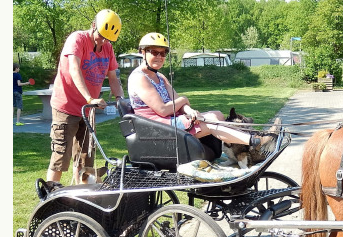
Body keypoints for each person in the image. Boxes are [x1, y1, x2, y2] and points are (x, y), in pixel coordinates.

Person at [128, 32, 269, 149]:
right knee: (211, 122)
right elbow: (163, 110)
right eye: (154, 52)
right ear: (143, 52)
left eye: (163, 53)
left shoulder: (160, 77)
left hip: (171, 121)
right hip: (158, 129)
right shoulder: (139, 78)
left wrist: (189, 111)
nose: (159, 57)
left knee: (218, 114)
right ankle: (255, 141)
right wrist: (184, 99)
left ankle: (239, 149)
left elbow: (177, 101)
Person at [46, 9, 125, 184]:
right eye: (101, 36)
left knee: (85, 159)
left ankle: (82, 199)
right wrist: (90, 98)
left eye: (107, 39)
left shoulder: (108, 48)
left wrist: (120, 98)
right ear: (93, 25)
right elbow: (74, 69)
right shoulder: (77, 39)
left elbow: (113, 77)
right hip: (66, 107)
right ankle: (49, 199)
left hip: (88, 111)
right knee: (61, 156)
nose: (103, 41)